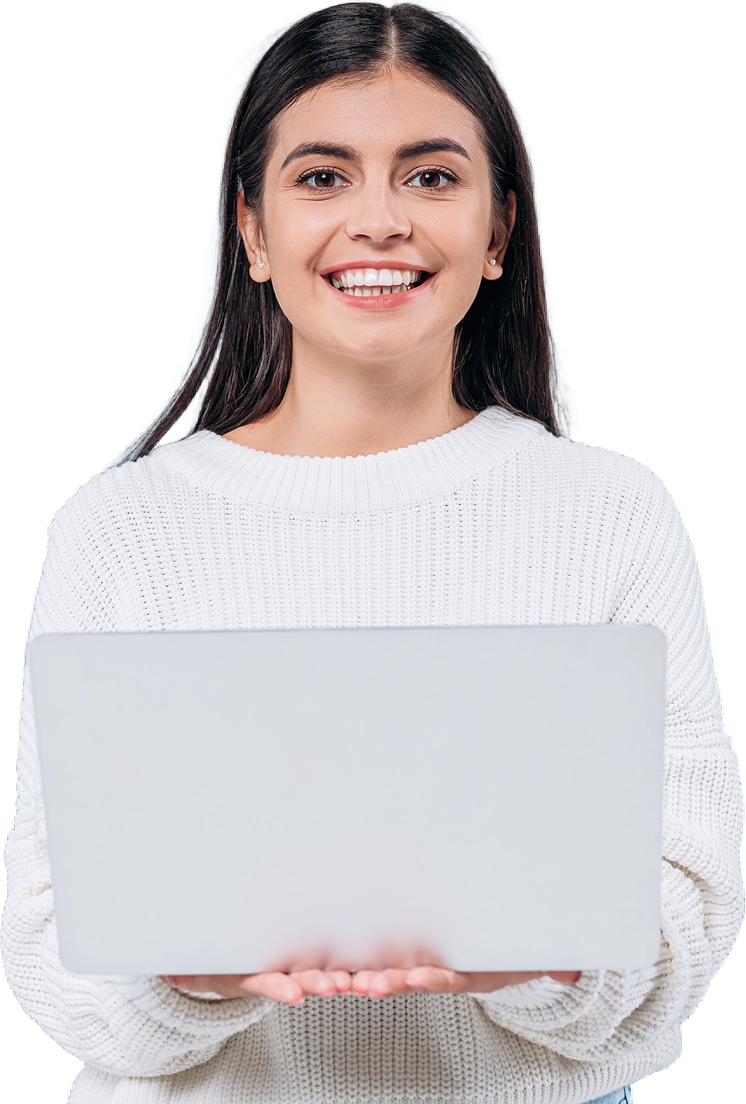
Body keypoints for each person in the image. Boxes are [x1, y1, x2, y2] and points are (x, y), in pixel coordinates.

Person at [2, 2, 742, 1102]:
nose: (379, 221)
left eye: (431, 176)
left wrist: (533, 958)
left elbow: (678, 921)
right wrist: (191, 979)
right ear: (249, 231)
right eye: (321, 177)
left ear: (498, 232)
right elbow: (50, 943)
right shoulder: (123, 532)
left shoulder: (609, 514)